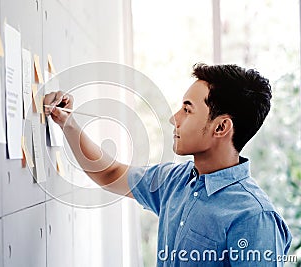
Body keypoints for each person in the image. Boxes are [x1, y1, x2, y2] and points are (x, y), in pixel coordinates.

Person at [44, 63, 292, 266]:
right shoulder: (174, 181)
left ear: (221, 127)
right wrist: (68, 123)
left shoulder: (254, 218)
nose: (174, 119)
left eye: (187, 110)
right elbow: (110, 173)